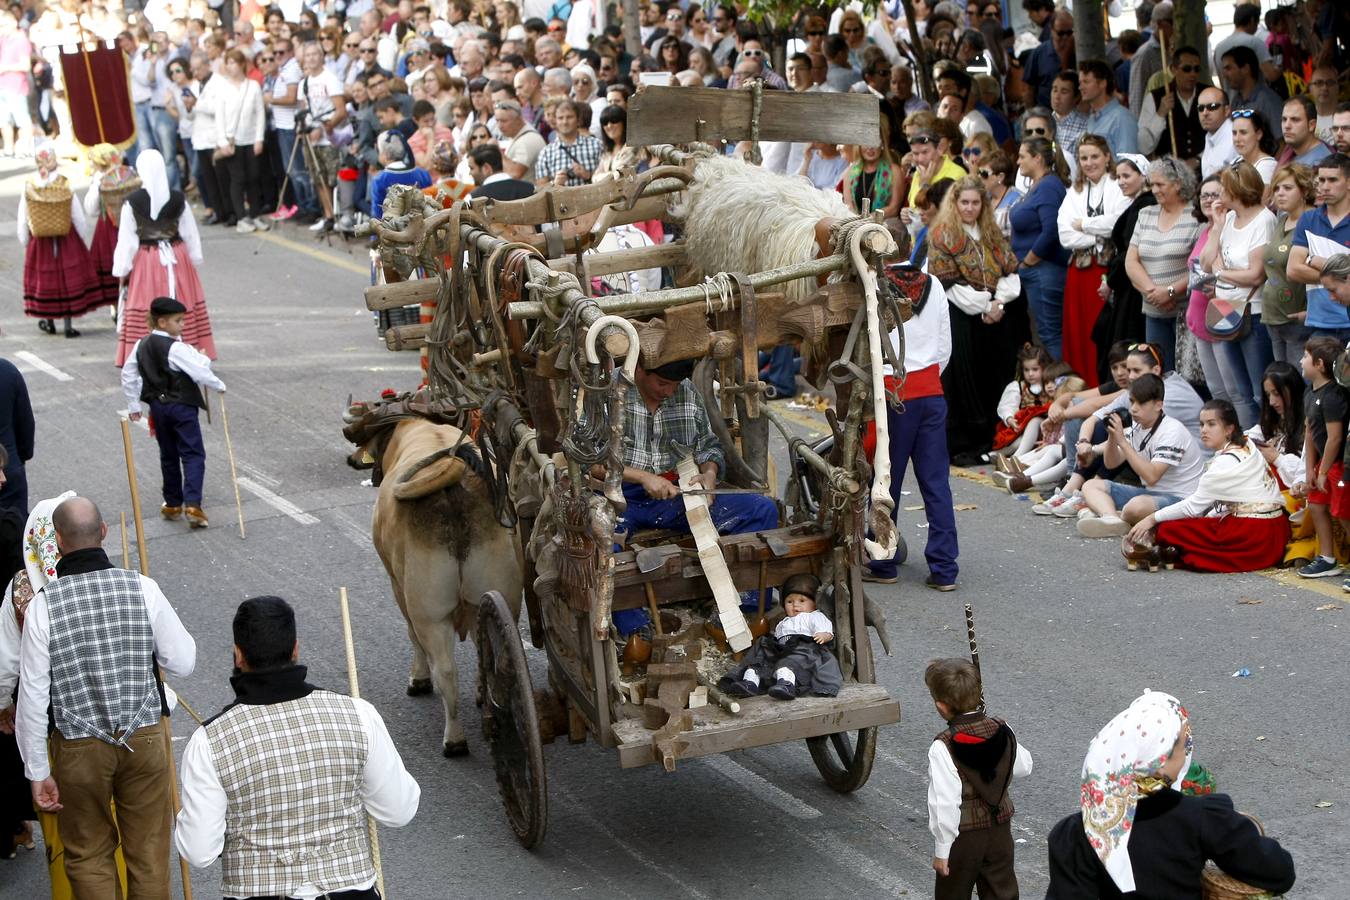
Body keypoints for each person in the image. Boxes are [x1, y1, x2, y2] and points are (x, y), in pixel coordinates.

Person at [176, 595, 420, 900]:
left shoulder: (209, 741)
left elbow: (199, 852)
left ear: (238, 655)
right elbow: (399, 810)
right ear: (295, 649)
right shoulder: (358, 715)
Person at [15, 496, 196, 898]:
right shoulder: (142, 588)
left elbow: (31, 697)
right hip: (144, 737)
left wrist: (37, 771)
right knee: (148, 854)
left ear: (58, 542)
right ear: (103, 533)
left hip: (78, 750)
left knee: (88, 854)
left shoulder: (44, 607)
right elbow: (183, 661)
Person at [1047, 690, 1295, 897]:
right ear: (1160, 763)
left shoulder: (1073, 834)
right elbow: (1278, 871)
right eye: (1179, 747)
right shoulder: (1201, 818)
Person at [607, 358, 779, 634]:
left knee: (762, 510)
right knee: (602, 537)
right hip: (622, 495)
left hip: (678, 492)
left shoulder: (684, 390)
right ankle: (635, 631)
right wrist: (642, 476)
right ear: (639, 369)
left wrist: (708, 474)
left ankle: (745, 612)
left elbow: (708, 445)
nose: (669, 392)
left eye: (674, 385)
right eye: (662, 383)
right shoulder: (608, 390)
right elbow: (588, 460)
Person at [864, 261, 956, 590]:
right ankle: (945, 569)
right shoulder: (933, 283)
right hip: (931, 390)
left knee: (886, 483)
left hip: (892, 390)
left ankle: (884, 562)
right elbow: (944, 347)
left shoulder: (872, 282)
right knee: (936, 483)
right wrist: (927, 375)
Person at [1125, 398, 1288, 572]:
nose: (1204, 430)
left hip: (1252, 535)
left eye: (1211, 424)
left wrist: (1151, 519)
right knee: (1194, 524)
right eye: (1202, 424)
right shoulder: (1247, 444)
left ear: (1229, 429)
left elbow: (1193, 507)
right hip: (1278, 529)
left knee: (1168, 529)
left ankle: (1161, 550)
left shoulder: (1223, 462)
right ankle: (1168, 551)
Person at [0, 490, 74, 864]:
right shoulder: (117, 582)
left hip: (53, 727)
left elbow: (8, 665)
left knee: (71, 842)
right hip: (122, 725)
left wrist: (2, 705)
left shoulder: (22, 591)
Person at [930, 175, 1023, 466]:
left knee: (995, 374)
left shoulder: (992, 233)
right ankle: (962, 443)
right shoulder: (943, 235)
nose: (970, 208)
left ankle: (992, 439)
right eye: (964, 202)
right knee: (963, 379)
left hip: (996, 318)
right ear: (955, 203)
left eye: (975, 202)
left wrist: (997, 303)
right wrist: (984, 305)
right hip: (962, 318)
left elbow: (1010, 273)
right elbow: (947, 283)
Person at [925, 657, 1032, 900]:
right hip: (1000, 830)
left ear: (941, 707)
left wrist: (942, 850)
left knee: (952, 894)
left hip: (964, 838)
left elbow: (945, 802)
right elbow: (1024, 766)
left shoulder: (943, 746)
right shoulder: (1002, 729)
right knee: (1002, 892)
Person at [121, 297, 228, 529]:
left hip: (158, 409)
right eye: (178, 321)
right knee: (192, 453)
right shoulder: (175, 347)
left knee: (168, 454)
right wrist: (219, 385)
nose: (183, 325)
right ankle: (193, 504)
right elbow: (199, 371)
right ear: (162, 322)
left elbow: (128, 374)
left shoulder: (142, 344)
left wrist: (134, 406)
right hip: (182, 407)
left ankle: (172, 503)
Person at [112, 149, 215, 369]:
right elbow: (190, 233)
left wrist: (122, 269)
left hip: (147, 260)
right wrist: (194, 259)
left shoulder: (132, 202)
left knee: (148, 303)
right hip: (176, 257)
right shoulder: (178, 199)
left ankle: (149, 354)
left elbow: (127, 241)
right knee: (180, 299)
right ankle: (186, 350)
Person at [1076, 373, 1204, 537]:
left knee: (1135, 507)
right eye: (1132, 401)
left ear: (1158, 405)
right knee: (1090, 485)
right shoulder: (1138, 426)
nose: (1133, 409)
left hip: (1182, 500)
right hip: (1152, 495)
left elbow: (1151, 477)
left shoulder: (1172, 431)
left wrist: (1122, 442)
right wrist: (1112, 436)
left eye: (1141, 403)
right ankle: (1112, 520)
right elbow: (1111, 464)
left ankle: (1112, 515)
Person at [1199, 160, 1275, 429]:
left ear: (1237, 190)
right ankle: (1247, 443)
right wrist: (1218, 226)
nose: (1218, 196)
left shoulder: (1264, 220)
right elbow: (1206, 262)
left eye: (1223, 190)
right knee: (1240, 393)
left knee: (1258, 390)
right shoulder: (1229, 218)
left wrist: (1222, 273)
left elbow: (1256, 274)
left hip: (1251, 312)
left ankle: (1265, 438)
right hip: (1226, 308)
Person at [1058, 134, 1129, 386]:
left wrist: (1085, 224)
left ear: (1107, 156)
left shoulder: (1117, 185)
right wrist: (1097, 237)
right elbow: (1065, 234)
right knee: (1080, 333)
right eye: (1083, 158)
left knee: (1104, 330)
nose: (1089, 163)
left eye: (1094, 156)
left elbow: (1117, 223)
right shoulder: (1075, 191)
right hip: (1080, 272)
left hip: (1107, 269)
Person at [1124, 156, 1199, 374]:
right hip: (1153, 309)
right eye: (1151, 184)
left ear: (1177, 184)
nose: (1154, 190)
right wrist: (1153, 293)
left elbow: (1201, 265)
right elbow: (1131, 261)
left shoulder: (1195, 215)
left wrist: (1170, 292)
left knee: (1189, 375)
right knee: (1159, 372)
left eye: (1160, 184)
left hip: (1185, 310)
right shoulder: (1146, 213)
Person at [17, 144, 101, 338]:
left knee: (47, 279)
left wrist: (25, 240)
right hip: (66, 238)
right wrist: (80, 238)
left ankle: (49, 321)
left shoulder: (30, 185)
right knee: (66, 280)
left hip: (41, 240)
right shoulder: (65, 183)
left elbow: (23, 216)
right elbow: (77, 215)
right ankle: (68, 325)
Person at [717, 574, 841, 700]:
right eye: (789, 601)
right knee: (762, 648)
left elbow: (828, 632)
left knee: (790, 662)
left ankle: (786, 684)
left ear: (814, 603)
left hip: (804, 648)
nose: (795, 605)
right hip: (783, 648)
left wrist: (824, 635)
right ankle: (750, 680)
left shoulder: (814, 616)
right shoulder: (784, 622)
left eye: (802, 601)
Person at [1092, 154, 1157, 378]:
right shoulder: (1137, 204)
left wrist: (1110, 281)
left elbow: (1130, 250)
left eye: (1127, 176)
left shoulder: (1144, 205)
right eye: (1118, 176)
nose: (1121, 181)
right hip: (1127, 284)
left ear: (1143, 176)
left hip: (1132, 288)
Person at [1009, 136, 1069, 359]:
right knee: (1044, 332)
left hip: (1045, 270)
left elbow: (1051, 229)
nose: (1018, 161)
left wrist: (1029, 260)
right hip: (1036, 272)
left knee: (1050, 333)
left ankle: (1061, 381)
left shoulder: (1049, 186)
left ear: (1038, 158)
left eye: (1023, 156)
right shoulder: (1038, 185)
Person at [1294, 336, 1348, 579]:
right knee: (1316, 506)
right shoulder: (1309, 393)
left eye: (1305, 357)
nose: (1300, 361)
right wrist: (1310, 470)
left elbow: (1335, 438)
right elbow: (1309, 431)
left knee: (1344, 513)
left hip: (1337, 464)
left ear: (1320, 365)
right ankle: (1327, 558)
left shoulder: (1333, 396)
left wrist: (1324, 471)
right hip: (1322, 464)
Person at [1288, 155, 1350, 345]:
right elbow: (1293, 270)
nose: (1325, 186)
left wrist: (1315, 261)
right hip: (1319, 323)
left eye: (1333, 180)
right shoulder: (1308, 219)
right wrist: (1340, 274)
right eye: (1321, 180)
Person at [206, 49, 269, 234]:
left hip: (250, 138)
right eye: (229, 62)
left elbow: (259, 114)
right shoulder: (223, 88)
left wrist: (259, 138)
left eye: (234, 62)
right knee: (238, 178)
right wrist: (222, 140)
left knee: (254, 177)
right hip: (233, 139)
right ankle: (241, 216)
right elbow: (220, 117)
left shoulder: (253, 86)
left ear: (242, 64)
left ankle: (255, 213)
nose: (231, 66)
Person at [1263, 164, 1316, 363]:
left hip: (1298, 318)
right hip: (1274, 316)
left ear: (1303, 190)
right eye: (1276, 189)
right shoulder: (1282, 219)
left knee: (1299, 384)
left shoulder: (1314, 220)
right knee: (1281, 384)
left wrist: (1310, 312)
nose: (1280, 194)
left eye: (1287, 188)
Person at [298, 40, 350, 233]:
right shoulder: (304, 82)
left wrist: (326, 127)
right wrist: (303, 129)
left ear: (321, 57)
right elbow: (303, 109)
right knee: (317, 178)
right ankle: (327, 215)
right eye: (308, 55)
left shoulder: (330, 78)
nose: (311, 58)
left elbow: (340, 110)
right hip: (311, 138)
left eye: (314, 54)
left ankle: (338, 215)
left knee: (331, 177)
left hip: (328, 137)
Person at [83, 144, 140, 310]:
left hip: (109, 228)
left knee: (111, 265)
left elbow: (91, 209)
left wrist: (95, 185)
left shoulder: (101, 180)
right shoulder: (130, 173)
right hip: (133, 226)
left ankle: (116, 307)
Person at [1136, 45, 1205, 161]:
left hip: (1203, 171)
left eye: (1196, 69)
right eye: (1187, 69)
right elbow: (1143, 146)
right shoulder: (1155, 97)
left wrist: (1198, 159)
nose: (1192, 74)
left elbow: (1219, 137)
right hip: (1168, 172)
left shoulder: (1207, 95)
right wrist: (1160, 113)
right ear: (1174, 69)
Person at [991, 343, 1054, 463]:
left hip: (1048, 428)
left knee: (1035, 420)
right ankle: (997, 455)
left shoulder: (1050, 385)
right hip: (1024, 430)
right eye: (1026, 370)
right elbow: (1006, 406)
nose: (1030, 374)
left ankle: (1015, 459)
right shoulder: (1018, 387)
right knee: (1018, 443)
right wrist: (1009, 418)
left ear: (1045, 367)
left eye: (1035, 369)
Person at [535, 99, 602, 187]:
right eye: (560, 118)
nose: (565, 122)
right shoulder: (545, 153)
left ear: (578, 120)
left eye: (569, 117)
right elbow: (540, 188)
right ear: (555, 121)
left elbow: (608, 178)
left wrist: (588, 175)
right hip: (560, 200)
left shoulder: (597, 145)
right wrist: (555, 184)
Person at [1219, 46, 1283, 139]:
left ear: (1245, 68)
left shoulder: (1268, 100)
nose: (1224, 75)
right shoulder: (1236, 101)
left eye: (1228, 68)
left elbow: (1282, 142)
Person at [1078, 59, 1138, 157]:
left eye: (1086, 82)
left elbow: (1128, 162)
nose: (1080, 87)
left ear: (1102, 83)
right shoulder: (1092, 118)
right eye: (1080, 83)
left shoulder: (1122, 118)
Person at [369, 131, 432, 218]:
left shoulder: (379, 180)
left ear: (385, 155)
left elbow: (377, 215)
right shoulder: (423, 174)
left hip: (392, 230)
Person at [0, 359, 33, 515]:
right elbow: (25, 425)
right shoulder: (7, 371)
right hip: (9, 471)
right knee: (15, 532)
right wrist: (19, 458)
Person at [845, 137, 904, 220]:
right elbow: (848, 205)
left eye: (875, 142)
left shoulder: (894, 171)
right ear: (859, 146)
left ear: (882, 144)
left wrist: (869, 219)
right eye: (866, 143)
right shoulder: (850, 171)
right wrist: (857, 222)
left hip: (884, 225)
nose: (870, 148)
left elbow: (894, 208)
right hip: (855, 224)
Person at [1276, 95, 1332, 169]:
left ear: (1311, 125)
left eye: (1295, 120)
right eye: (1284, 119)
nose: (1287, 126)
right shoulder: (1290, 151)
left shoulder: (1322, 161)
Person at [1229, 108, 1278, 189]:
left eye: (1243, 132)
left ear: (1259, 134)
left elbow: (1260, 201)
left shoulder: (1267, 166)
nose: (1237, 139)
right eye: (1234, 133)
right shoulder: (1235, 162)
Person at [467, 143, 535, 201]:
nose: (470, 173)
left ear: (486, 168)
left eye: (471, 168)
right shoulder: (531, 188)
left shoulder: (472, 199)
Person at [1198, 87, 1239, 178]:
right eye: (1200, 108)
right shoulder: (1210, 136)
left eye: (1212, 106)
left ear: (1227, 110)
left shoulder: (1236, 136)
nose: (1205, 113)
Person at [980, 151, 1020, 240]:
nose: (979, 177)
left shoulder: (1017, 201)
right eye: (979, 172)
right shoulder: (984, 197)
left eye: (984, 174)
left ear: (1000, 177)